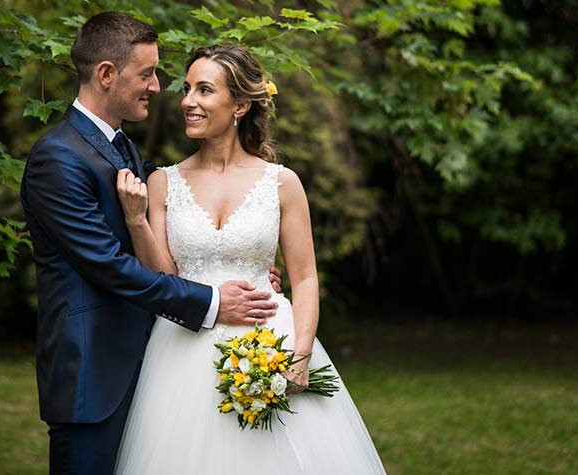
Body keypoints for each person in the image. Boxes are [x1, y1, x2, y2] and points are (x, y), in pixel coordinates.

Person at [20, 13, 283, 475]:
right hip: (93, 378)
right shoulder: (57, 159)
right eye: (147, 74)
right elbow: (110, 267)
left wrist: (235, 264)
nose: (158, 87)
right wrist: (214, 300)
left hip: (153, 371)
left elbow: (174, 224)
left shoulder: (119, 148)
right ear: (106, 74)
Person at [113, 44, 388, 474]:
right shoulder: (163, 181)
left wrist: (298, 356)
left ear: (240, 104)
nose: (188, 101)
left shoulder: (282, 183)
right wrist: (135, 221)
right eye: (187, 89)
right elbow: (163, 275)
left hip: (268, 339)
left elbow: (305, 278)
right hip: (181, 349)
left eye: (204, 90)